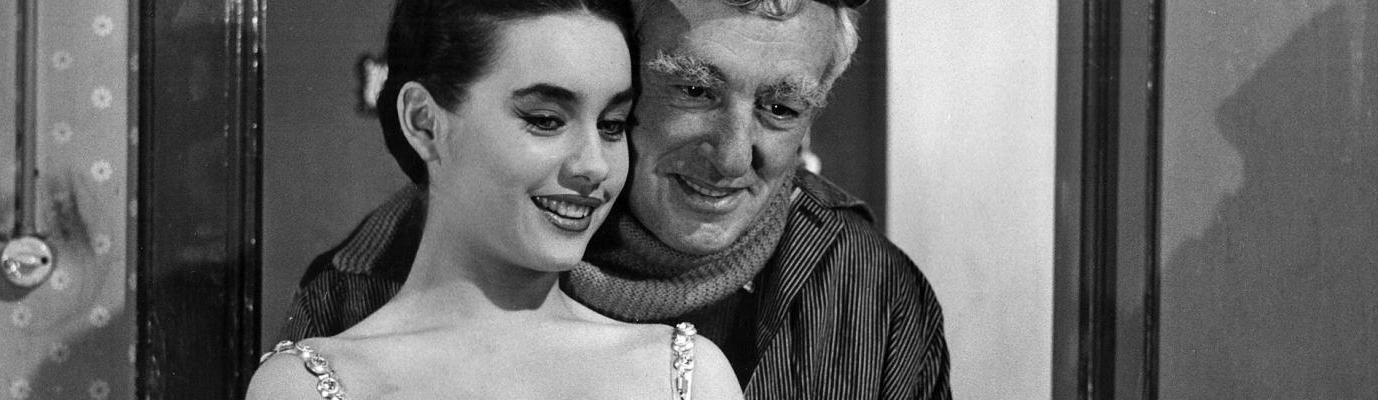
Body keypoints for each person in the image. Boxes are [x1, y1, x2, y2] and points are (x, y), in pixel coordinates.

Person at [280, 0, 952, 398]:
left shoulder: (873, 294)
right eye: (695, 90)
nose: (731, 156)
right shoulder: (362, 283)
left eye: (781, 108)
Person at [249, 1, 745, 398]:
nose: (594, 165)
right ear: (425, 123)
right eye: (546, 120)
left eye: (611, 125)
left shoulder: (685, 377)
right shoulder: (308, 385)